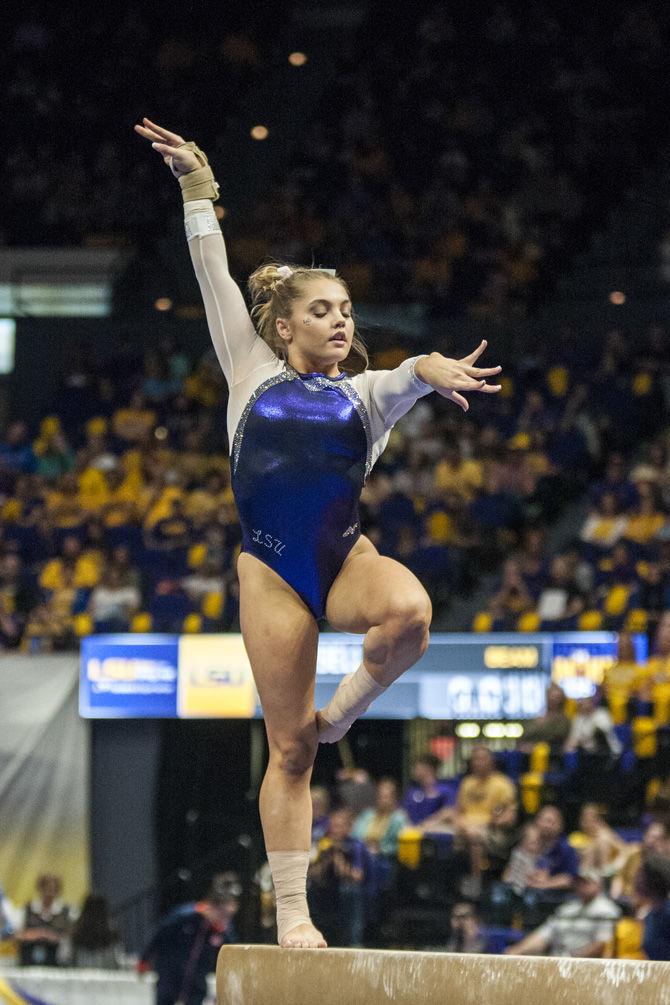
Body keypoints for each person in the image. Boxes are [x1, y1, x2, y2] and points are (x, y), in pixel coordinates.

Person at [135, 117, 502, 949]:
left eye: (347, 310)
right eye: (324, 311)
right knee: (288, 751)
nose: (342, 321)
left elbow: (404, 376)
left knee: (410, 614)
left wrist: (430, 368)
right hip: (270, 573)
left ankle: (341, 714)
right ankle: (294, 912)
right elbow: (211, 275)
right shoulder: (248, 368)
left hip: (341, 559)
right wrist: (198, 188)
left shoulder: (362, 395)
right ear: (286, 326)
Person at [139, 874, 238, 1005]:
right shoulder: (184, 916)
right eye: (222, 914)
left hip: (196, 984)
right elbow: (159, 934)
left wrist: (224, 990)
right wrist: (145, 959)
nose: (224, 919)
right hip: (170, 977)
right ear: (211, 907)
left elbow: (229, 961)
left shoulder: (223, 931)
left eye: (228, 916)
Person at [505, 868, 620, 958]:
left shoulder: (607, 910)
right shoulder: (567, 909)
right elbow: (543, 935)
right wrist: (518, 950)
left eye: (587, 882)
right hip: (557, 961)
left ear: (599, 884)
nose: (582, 885)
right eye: (579, 882)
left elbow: (603, 944)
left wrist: (570, 958)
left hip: (587, 966)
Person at [308, 807, 373, 948]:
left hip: (349, 890)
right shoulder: (322, 843)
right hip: (325, 890)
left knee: (349, 890)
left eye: (339, 826)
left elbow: (358, 876)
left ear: (349, 828)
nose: (335, 830)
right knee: (308, 889)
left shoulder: (356, 845)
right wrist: (327, 859)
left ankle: (353, 941)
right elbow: (312, 873)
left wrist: (338, 859)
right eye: (332, 826)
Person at [15, 874, 73, 967]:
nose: (49, 893)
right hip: (28, 958)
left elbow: (69, 937)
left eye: (53, 889)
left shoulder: (66, 911)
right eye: (47, 889)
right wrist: (33, 934)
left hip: (57, 959)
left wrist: (52, 936)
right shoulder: (27, 909)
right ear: (40, 889)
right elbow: (17, 934)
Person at [401, 754, 458, 829]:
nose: (413, 770)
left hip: (436, 832)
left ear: (429, 769)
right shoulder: (411, 792)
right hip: (412, 832)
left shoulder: (445, 790)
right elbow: (403, 812)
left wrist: (431, 822)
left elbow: (450, 811)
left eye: (417, 767)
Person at [69, 894, 124, 969]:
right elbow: (117, 957)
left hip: (83, 971)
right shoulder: (111, 930)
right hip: (106, 972)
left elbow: (70, 959)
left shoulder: (78, 929)